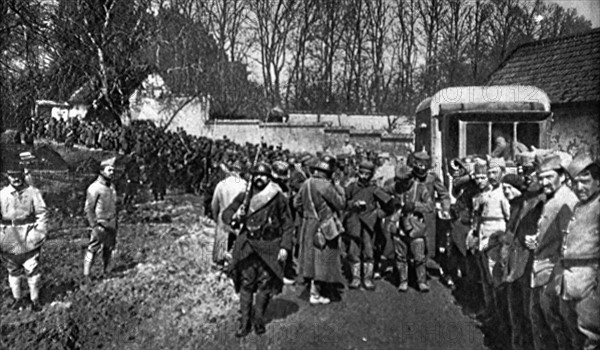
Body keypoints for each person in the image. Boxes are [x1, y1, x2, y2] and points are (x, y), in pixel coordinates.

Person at [222, 163, 293, 337]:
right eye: (257, 175)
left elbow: (288, 225)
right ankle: (244, 323)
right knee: (246, 284)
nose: (260, 179)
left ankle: (259, 321)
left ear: (270, 178)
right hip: (248, 245)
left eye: (264, 176)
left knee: (265, 285)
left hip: (269, 246)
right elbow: (226, 213)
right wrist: (234, 217)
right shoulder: (245, 196)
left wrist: (284, 246)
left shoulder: (278, 197)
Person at [525, 152, 577, 350]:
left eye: (549, 177)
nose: (544, 182)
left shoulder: (565, 201)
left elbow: (569, 240)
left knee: (554, 327)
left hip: (552, 273)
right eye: (541, 177)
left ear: (562, 176)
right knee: (541, 322)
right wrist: (537, 240)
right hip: (542, 271)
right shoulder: (553, 198)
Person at [553, 152, 600, 350]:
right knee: (573, 334)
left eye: (585, 181)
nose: (579, 187)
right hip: (570, 282)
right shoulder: (580, 206)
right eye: (574, 182)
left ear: (598, 182)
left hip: (590, 283)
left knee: (590, 337)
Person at [294, 158, 346, 305]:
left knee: (310, 258)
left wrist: (308, 214)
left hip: (308, 224)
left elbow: (296, 203)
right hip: (324, 225)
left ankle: (313, 289)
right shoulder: (327, 186)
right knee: (323, 258)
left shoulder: (307, 183)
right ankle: (316, 293)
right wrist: (339, 186)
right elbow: (341, 203)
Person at [502, 173, 543, 350]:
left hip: (529, 262)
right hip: (516, 260)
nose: (528, 178)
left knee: (528, 311)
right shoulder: (520, 202)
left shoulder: (543, 202)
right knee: (515, 309)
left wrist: (538, 239)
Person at [0, 163, 48, 311]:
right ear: (7, 176)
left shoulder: (33, 192)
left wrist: (39, 232)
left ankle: (35, 300)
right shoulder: (2, 194)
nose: (16, 179)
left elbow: (42, 213)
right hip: (8, 236)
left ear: (23, 174)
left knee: (32, 269)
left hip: (28, 236)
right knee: (13, 269)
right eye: (12, 176)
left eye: (18, 175)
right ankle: (17, 299)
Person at [467, 159, 510, 322]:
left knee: (495, 275)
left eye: (494, 172)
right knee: (485, 276)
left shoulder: (503, 193)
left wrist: (499, 240)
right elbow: (478, 215)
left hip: (496, 235)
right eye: (489, 173)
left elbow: (508, 218)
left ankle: (500, 315)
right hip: (483, 234)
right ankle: (489, 308)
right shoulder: (486, 193)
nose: (491, 176)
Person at [384, 164, 433, 292]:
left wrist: (415, 206)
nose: (403, 185)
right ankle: (403, 281)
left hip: (415, 226)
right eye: (400, 182)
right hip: (398, 226)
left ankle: (421, 281)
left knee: (419, 257)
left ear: (411, 179)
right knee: (400, 256)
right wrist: (389, 201)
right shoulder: (396, 187)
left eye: (405, 182)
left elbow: (430, 206)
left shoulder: (421, 188)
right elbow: (381, 191)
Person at [344, 160, 390, 290]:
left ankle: (368, 278)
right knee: (353, 251)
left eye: (367, 174)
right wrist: (353, 204)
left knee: (369, 251)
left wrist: (378, 214)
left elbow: (390, 204)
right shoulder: (351, 187)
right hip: (353, 223)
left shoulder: (374, 189)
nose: (363, 177)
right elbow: (342, 203)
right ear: (358, 172)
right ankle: (356, 278)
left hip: (369, 225)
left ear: (371, 175)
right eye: (361, 173)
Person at [411, 151, 452, 285]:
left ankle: (423, 270)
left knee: (428, 243)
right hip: (411, 214)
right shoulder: (409, 177)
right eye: (418, 165)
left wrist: (445, 208)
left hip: (428, 215)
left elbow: (444, 194)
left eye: (424, 166)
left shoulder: (432, 178)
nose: (421, 169)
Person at [83, 157, 118, 280]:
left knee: (109, 248)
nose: (112, 172)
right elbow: (88, 209)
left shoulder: (112, 187)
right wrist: (94, 225)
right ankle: (87, 275)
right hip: (100, 224)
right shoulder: (94, 187)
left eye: (113, 170)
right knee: (93, 248)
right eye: (109, 170)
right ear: (102, 171)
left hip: (111, 223)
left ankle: (107, 272)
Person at [211, 160, 247, 268]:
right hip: (237, 218)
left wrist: (215, 217)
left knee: (222, 243)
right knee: (235, 244)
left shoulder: (221, 184)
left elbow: (214, 204)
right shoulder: (244, 185)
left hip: (222, 216)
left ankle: (220, 264)